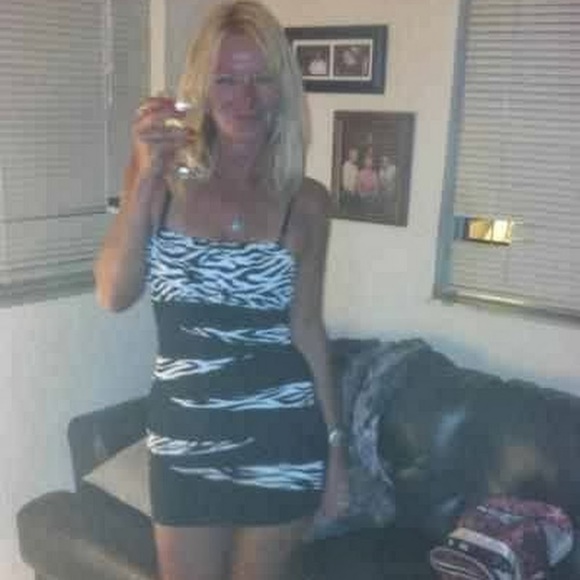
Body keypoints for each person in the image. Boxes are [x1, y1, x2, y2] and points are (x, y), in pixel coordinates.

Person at [93, 1, 348, 580]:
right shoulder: (159, 181)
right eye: (227, 79)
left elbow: (308, 329)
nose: (245, 97)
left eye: (260, 78)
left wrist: (335, 453)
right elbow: (113, 293)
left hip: (283, 441)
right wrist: (146, 174)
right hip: (185, 445)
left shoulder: (307, 202)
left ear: (283, 89)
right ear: (201, 88)